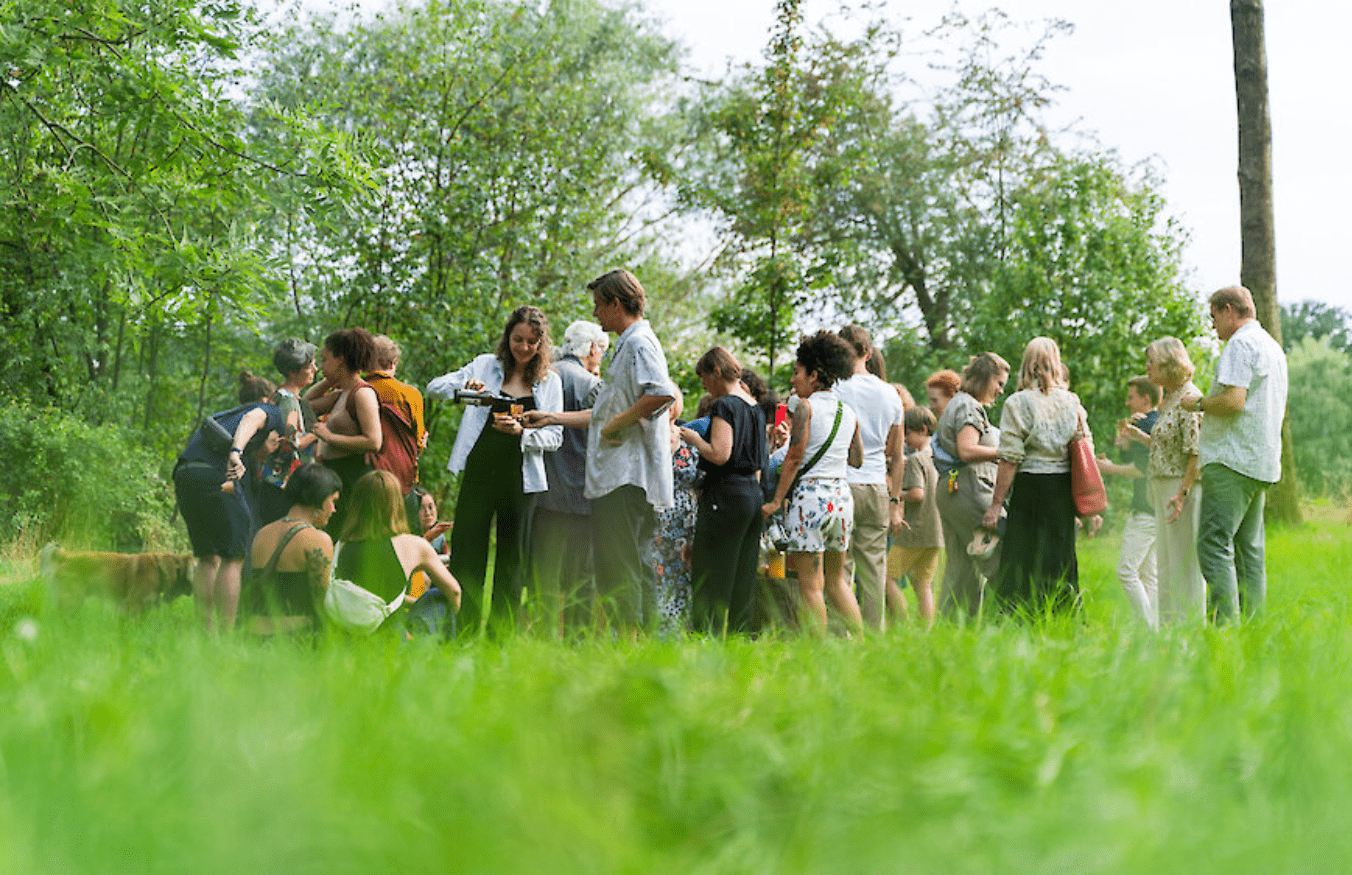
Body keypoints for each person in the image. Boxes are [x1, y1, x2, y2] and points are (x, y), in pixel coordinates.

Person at [525, 270, 674, 634]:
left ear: (616, 304)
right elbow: (605, 412)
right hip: (614, 477)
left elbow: (661, 394)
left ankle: (631, 642)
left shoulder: (639, 342)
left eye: (598, 306)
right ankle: (638, 641)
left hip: (626, 475)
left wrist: (615, 425)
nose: (596, 315)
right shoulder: (627, 344)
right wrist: (552, 417)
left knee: (619, 564)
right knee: (624, 562)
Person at [427, 305, 562, 631]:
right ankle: (462, 629)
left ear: (541, 343)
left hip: (521, 479)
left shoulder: (549, 381)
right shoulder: (486, 366)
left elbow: (555, 436)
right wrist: (465, 389)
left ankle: (499, 636)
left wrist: (523, 434)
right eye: (518, 339)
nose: (524, 348)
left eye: (532, 342)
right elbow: (435, 387)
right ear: (508, 336)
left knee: (512, 559)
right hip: (480, 471)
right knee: (467, 552)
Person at [1181, 286, 1288, 622]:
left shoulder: (1239, 345)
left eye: (1213, 317)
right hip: (1262, 463)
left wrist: (1197, 404)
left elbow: (1232, 401)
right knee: (1250, 553)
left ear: (1229, 310)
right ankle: (1254, 634)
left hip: (1232, 460)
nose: (1213, 326)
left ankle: (1224, 631)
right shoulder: (1272, 347)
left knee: (1213, 547)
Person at [983, 338, 1099, 615]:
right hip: (1060, 489)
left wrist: (996, 503)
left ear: (1026, 364)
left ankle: (1019, 616)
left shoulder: (1017, 403)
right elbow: (1085, 452)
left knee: (1022, 555)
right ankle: (1062, 616)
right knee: (1059, 555)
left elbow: (1010, 458)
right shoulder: (1072, 402)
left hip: (1029, 487)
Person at [760, 331, 865, 636]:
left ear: (814, 374)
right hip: (842, 498)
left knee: (810, 585)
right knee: (836, 582)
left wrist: (777, 501)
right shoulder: (849, 412)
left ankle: (816, 651)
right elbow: (856, 459)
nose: (793, 380)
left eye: (797, 372)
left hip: (811, 500)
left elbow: (793, 458)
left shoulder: (805, 408)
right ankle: (863, 644)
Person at [173, 388, 287, 632]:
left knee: (207, 556)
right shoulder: (271, 412)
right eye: (275, 446)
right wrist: (236, 452)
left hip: (185, 472)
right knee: (233, 556)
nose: (271, 451)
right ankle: (226, 634)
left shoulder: (227, 414)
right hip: (217, 476)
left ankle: (206, 632)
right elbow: (252, 419)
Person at [680, 347, 767, 636]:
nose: (704, 385)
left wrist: (693, 439)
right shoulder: (755, 408)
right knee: (743, 572)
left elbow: (719, 454)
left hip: (725, 494)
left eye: (704, 377)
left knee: (711, 570)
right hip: (752, 494)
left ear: (716, 371)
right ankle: (741, 638)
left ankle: (706, 635)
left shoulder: (724, 406)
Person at [530, 320, 606, 636]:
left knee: (544, 571)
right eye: (602, 349)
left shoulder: (544, 375)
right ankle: (577, 638)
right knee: (580, 575)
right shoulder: (589, 383)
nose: (601, 356)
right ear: (591, 348)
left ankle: (542, 635)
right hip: (580, 492)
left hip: (543, 488)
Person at [834, 325, 905, 632]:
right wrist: (895, 502)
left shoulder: (835, 389)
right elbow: (897, 454)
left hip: (842, 482)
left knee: (840, 567)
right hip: (876, 485)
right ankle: (875, 633)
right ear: (869, 352)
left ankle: (842, 633)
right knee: (874, 568)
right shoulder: (891, 393)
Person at [334, 470, 462, 632]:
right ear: (397, 504)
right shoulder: (412, 544)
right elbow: (454, 591)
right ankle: (445, 648)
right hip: (392, 639)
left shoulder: (339, 545)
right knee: (438, 595)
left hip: (346, 635)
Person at [934, 352, 1010, 619]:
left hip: (954, 490)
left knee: (961, 567)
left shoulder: (959, 403)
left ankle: (953, 631)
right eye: (999, 383)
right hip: (969, 489)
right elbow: (967, 450)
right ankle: (1000, 623)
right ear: (985, 377)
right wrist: (1005, 451)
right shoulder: (968, 406)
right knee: (1001, 555)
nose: (1001, 390)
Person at [1142, 337, 1206, 624]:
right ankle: (1169, 633)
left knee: (1184, 564)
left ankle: (1190, 632)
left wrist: (1181, 494)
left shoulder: (1189, 399)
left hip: (1181, 487)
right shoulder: (1169, 400)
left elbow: (1196, 452)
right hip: (1162, 486)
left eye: (1151, 362)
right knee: (1165, 565)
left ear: (1169, 364)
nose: (1147, 369)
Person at [1096, 375, 1161, 627]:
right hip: (1153, 508)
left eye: (1131, 397)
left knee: (1126, 571)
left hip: (1146, 510)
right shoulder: (1147, 423)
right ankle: (1151, 633)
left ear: (1146, 398)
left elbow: (1143, 469)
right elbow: (1138, 458)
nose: (1127, 403)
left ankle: (1148, 630)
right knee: (1148, 574)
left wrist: (1109, 469)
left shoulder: (1150, 425)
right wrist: (1124, 444)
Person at [246, 463, 341, 634]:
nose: (334, 509)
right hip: (294, 633)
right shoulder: (318, 540)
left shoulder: (262, 533)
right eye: (332, 501)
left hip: (255, 632)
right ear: (320, 498)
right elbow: (321, 602)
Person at [307, 328, 383, 535]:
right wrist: (330, 378)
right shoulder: (343, 392)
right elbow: (305, 404)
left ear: (340, 358)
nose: (321, 366)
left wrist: (330, 437)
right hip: (336, 474)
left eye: (325, 360)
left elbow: (374, 441)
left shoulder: (362, 394)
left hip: (353, 476)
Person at [650, 388, 699, 635]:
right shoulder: (645, 433)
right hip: (653, 517)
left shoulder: (688, 436)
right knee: (653, 573)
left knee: (681, 577)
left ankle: (676, 633)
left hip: (684, 521)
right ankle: (648, 631)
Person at [889, 405, 943, 627]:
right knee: (923, 584)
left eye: (907, 434)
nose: (904, 441)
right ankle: (925, 632)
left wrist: (895, 494)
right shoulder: (939, 457)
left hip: (916, 531)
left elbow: (917, 494)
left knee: (885, 576)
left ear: (921, 430)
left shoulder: (916, 460)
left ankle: (903, 619)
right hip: (936, 532)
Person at [257, 338, 320, 526]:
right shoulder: (288, 401)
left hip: (276, 487)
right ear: (293, 372)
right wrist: (320, 430)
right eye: (310, 366)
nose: (315, 370)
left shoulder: (281, 395)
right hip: (280, 490)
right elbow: (292, 444)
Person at [365, 335, 426, 494]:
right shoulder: (410, 394)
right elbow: (419, 439)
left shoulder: (354, 390)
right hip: (400, 478)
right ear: (393, 363)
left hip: (363, 474)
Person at [404, 485, 451, 599]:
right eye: (421, 509)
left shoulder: (440, 538)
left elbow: (446, 558)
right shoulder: (408, 535)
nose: (428, 513)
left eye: (431, 507)